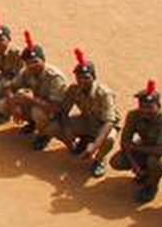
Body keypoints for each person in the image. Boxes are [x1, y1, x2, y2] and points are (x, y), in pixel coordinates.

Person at [50, 49, 118, 178]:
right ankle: (82, 142)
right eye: (79, 77)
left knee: (109, 139)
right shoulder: (74, 89)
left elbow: (109, 122)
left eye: (86, 77)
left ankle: (99, 160)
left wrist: (95, 145)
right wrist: (67, 131)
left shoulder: (104, 93)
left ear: (93, 77)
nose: (82, 81)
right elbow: (63, 111)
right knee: (53, 127)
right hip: (86, 120)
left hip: (102, 125)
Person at [0, 31, 67, 147]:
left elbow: (56, 108)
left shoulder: (55, 77)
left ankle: (45, 135)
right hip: (36, 104)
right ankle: (33, 124)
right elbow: (8, 87)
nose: (32, 66)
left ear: (43, 60)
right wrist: (14, 106)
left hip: (52, 113)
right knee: (3, 105)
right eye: (28, 63)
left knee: (37, 113)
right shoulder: (26, 71)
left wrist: (31, 100)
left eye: (35, 62)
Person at [110, 80, 162, 203]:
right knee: (117, 162)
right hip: (145, 147)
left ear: (158, 105)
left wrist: (135, 148)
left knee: (155, 162)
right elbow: (125, 142)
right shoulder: (134, 115)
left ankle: (152, 185)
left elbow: (161, 149)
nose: (145, 110)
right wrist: (134, 165)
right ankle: (144, 175)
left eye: (149, 107)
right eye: (142, 106)